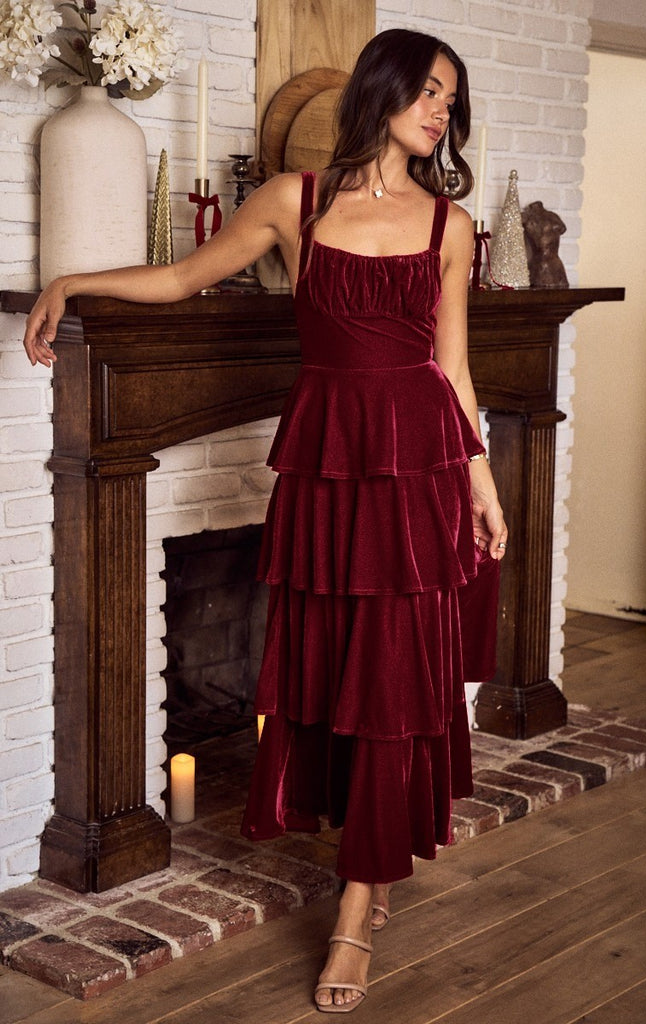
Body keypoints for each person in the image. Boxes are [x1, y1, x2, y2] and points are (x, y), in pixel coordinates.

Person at [24, 27, 507, 1015]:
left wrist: (482, 485)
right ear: (379, 93)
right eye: (424, 91)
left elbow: (451, 373)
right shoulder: (293, 204)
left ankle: (357, 907)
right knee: (335, 670)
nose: (437, 111)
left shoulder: (447, 226)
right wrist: (74, 281)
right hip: (327, 469)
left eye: (448, 99)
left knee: (391, 682)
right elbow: (181, 280)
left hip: (416, 473)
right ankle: (355, 864)